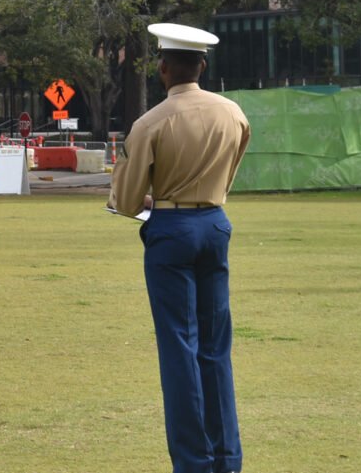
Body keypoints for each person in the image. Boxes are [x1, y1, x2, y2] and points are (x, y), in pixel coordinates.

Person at [109, 23, 250, 473]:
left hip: (171, 228)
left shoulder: (150, 122)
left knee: (178, 348)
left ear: (163, 68)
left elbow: (128, 201)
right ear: (202, 66)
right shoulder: (234, 113)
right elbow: (227, 177)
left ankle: (193, 461)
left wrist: (155, 198)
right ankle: (227, 457)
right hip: (214, 223)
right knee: (215, 348)